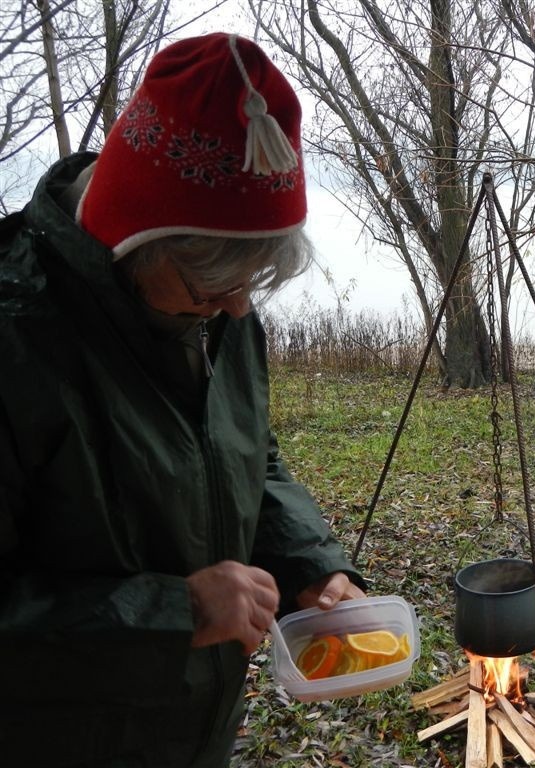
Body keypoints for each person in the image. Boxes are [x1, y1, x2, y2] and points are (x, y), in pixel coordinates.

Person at [0, 33, 366, 767]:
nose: (238, 308)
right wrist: (180, 611)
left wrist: (312, 568)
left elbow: (245, 460)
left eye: (253, 282)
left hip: (191, 732)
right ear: (139, 244)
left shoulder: (218, 315)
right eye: (213, 287)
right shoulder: (18, 337)